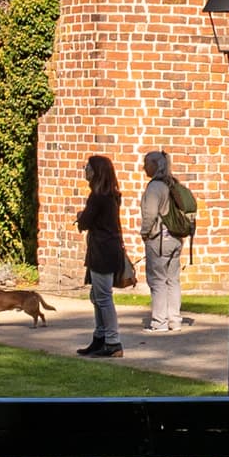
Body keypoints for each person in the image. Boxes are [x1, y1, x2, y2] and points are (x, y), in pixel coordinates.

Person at [75, 153, 131, 357]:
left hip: (102, 251)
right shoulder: (111, 196)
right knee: (97, 296)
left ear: (96, 172)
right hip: (108, 249)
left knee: (103, 297)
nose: (85, 170)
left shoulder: (98, 197)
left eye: (88, 167)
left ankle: (113, 341)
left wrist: (81, 216)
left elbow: (86, 222)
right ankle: (100, 337)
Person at [136, 149, 192, 334]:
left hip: (159, 239)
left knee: (157, 280)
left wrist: (145, 233)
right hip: (176, 238)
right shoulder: (172, 184)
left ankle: (159, 321)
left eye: (146, 163)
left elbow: (150, 214)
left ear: (155, 165)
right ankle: (174, 320)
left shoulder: (154, 187)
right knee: (173, 280)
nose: (144, 167)